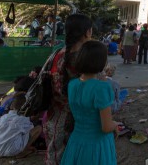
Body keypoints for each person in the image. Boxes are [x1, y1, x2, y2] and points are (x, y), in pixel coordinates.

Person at [44, 13, 93, 165]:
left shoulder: (58, 53)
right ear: (87, 32)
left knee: (56, 155)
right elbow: (93, 90)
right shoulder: (85, 57)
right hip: (75, 118)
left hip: (54, 115)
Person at [60, 40, 117, 165]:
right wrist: (116, 124)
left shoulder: (72, 84)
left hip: (76, 142)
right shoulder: (102, 88)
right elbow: (106, 127)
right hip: (97, 145)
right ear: (101, 62)